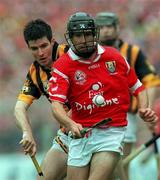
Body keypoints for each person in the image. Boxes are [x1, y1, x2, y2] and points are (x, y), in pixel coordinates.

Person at [48, 12, 158, 180]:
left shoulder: (113, 56)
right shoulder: (63, 65)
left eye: (87, 34)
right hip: (81, 133)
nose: (84, 39)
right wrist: (70, 124)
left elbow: (138, 88)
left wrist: (144, 108)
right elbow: (56, 106)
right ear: (71, 38)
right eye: (78, 35)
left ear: (94, 34)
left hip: (111, 132)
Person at [95, 11, 160, 179]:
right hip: (93, 116)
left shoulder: (133, 52)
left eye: (109, 26)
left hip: (125, 116)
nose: (106, 31)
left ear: (117, 28)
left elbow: (151, 81)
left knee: (121, 165)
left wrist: (147, 109)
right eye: (101, 27)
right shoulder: (89, 54)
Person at [14, 19, 69, 180]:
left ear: (52, 41)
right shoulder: (35, 72)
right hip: (68, 136)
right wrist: (27, 133)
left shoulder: (72, 54)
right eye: (34, 48)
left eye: (44, 46)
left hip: (95, 128)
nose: (40, 53)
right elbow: (19, 107)